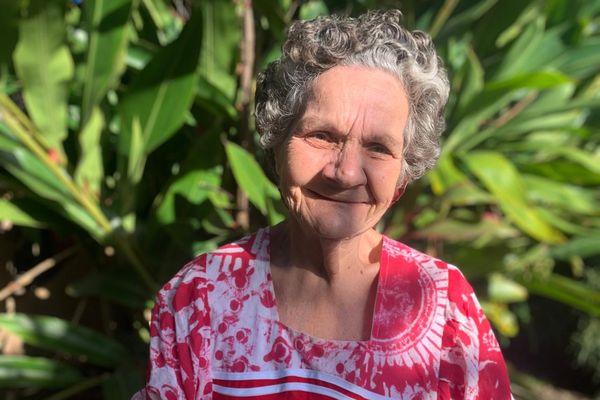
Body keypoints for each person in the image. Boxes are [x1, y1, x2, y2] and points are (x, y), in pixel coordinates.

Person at [134, 9, 512, 400]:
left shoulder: (445, 308)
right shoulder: (201, 299)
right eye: (322, 135)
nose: (345, 172)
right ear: (277, 144)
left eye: (378, 148)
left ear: (404, 173)